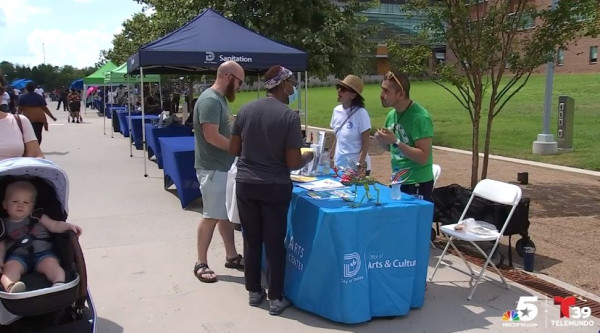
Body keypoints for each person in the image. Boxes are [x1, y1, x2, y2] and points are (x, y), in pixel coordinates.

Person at [229, 65, 314, 315]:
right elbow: (292, 162)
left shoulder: (245, 110)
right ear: (283, 84)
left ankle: (254, 291)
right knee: (275, 242)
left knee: (251, 239)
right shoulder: (288, 116)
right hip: (274, 186)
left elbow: (233, 149)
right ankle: (275, 297)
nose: (294, 88)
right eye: (292, 83)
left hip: (246, 184)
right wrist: (307, 157)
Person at [192, 61, 245, 284]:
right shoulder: (210, 100)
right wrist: (238, 149)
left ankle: (231, 256)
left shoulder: (220, 100)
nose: (241, 87)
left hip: (223, 167)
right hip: (213, 168)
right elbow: (211, 136)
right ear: (228, 76)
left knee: (224, 215)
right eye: (240, 82)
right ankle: (200, 262)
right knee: (211, 216)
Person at [0, 181, 82, 293]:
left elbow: (55, 225)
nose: (20, 205)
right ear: (5, 204)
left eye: (26, 202)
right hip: (17, 257)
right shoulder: (3, 225)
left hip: (43, 254)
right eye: (15, 201)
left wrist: (68, 226)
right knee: (9, 268)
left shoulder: (38, 216)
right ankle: (10, 286)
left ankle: (58, 283)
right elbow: (1, 245)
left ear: (32, 206)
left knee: (52, 265)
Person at [374, 70, 434, 201]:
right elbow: (393, 149)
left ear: (400, 94)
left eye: (386, 91)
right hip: (397, 182)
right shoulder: (392, 115)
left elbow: (423, 157)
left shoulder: (420, 118)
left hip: (417, 184)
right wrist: (382, 141)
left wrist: (395, 141)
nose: (381, 95)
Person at [329, 75, 371, 175]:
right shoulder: (336, 110)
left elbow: (366, 143)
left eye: (343, 89)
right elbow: (338, 136)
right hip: (339, 165)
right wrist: (330, 154)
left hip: (355, 168)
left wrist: (359, 164)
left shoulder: (361, 113)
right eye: (338, 88)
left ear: (353, 95)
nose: (339, 91)